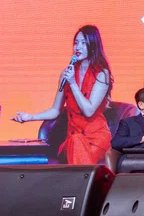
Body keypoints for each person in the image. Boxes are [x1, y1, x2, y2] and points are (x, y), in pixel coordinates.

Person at [13, 25, 114, 164]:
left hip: (95, 140)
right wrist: (30, 117)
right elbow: (56, 110)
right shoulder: (67, 74)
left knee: (78, 144)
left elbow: (89, 111)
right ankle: (84, 182)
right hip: (71, 139)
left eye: (84, 43)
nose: (78, 47)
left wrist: (72, 83)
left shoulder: (101, 74)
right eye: (76, 43)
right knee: (75, 141)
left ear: (93, 45)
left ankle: (78, 182)